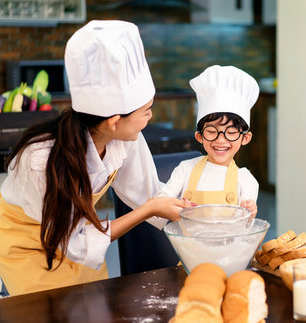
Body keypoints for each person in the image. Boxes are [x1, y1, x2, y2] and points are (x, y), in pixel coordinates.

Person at [0, 20, 189, 296]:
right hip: (29, 246)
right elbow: (76, 241)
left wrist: (198, 213)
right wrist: (149, 209)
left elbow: (149, 192)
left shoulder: (125, 137)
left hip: (80, 236)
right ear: (114, 121)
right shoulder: (40, 160)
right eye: (146, 110)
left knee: (91, 308)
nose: (150, 117)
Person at [157, 65, 260, 217]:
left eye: (231, 133)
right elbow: (160, 203)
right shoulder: (186, 169)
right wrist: (175, 204)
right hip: (188, 241)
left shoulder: (246, 180)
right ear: (199, 136)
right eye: (211, 132)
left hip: (229, 241)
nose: (220, 140)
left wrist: (249, 212)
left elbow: (244, 225)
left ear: (245, 138)